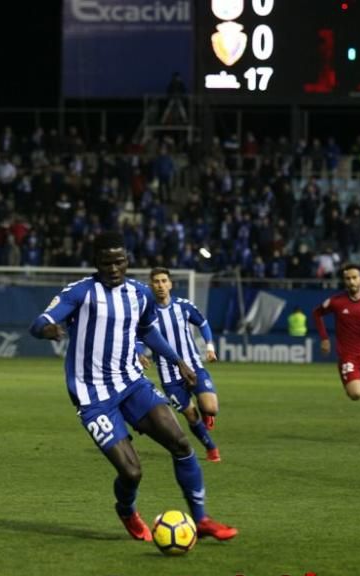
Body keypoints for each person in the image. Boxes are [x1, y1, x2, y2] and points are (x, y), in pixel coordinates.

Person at [29, 232, 236, 542]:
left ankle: (201, 518)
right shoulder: (79, 293)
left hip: (131, 383)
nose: (114, 268)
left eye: (119, 261)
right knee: (132, 472)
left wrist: (178, 360)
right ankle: (126, 510)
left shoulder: (140, 294)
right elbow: (38, 322)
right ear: (96, 262)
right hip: (93, 395)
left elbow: (148, 332)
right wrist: (48, 329)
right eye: (107, 262)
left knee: (180, 443)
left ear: (127, 261)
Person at [138, 267, 222, 462]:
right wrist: (139, 354)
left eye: (163, 281)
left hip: (193, 367)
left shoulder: (183, 306)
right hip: (169, 377)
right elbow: (139, 338)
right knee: (191, 416)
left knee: (210, 408)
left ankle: (207, 412)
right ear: (151, 286)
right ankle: (211, 448)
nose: (160, 285)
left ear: (170, 284)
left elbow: (202, 323)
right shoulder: (145, 314)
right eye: (156, 282)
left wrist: (209, 347)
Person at [312, 264, 360, 447]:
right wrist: (324, 338)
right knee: (356, 394)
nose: (351, 281)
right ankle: (355, 378)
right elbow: (317, 313)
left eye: (355, 277)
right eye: (347, 278)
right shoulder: (337, 301)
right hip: (349, 357)